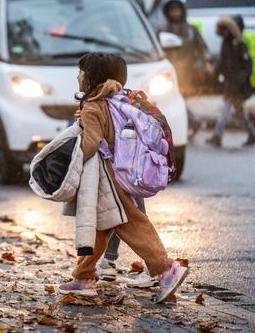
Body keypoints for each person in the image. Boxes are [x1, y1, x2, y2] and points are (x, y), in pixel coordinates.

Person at [59, 53, 189, 302]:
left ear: (91, 78)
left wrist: (71, 158)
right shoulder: (113, 99)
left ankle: (165, 269)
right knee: (101, 226)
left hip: (107, 177)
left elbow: (92, 142)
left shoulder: (92, 105)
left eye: (82, 73)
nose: (78, 76)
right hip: (117, 172)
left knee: (131, 223)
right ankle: (83, 276)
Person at [206, 17, 255, 148]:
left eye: (226, 29)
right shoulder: (225, 43)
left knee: (226, 109)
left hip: (237, 85)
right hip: (229, 83)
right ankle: (252, 134)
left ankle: (217, 136)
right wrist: (215, 73)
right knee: (239, 111)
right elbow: (222, 62)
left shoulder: (239, 44)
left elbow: (247, 65)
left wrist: (240, 81)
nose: (224, 32)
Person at [161, 0, 211, 141]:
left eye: (177, 9)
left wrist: (201, 65)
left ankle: (193, 122)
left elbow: (203, 50)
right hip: (167, 74)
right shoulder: (162, 30)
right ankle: (192, 123)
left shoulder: (191, 30)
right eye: (172, 10)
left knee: (179, 101)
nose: (175, 13)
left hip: (187, 73)